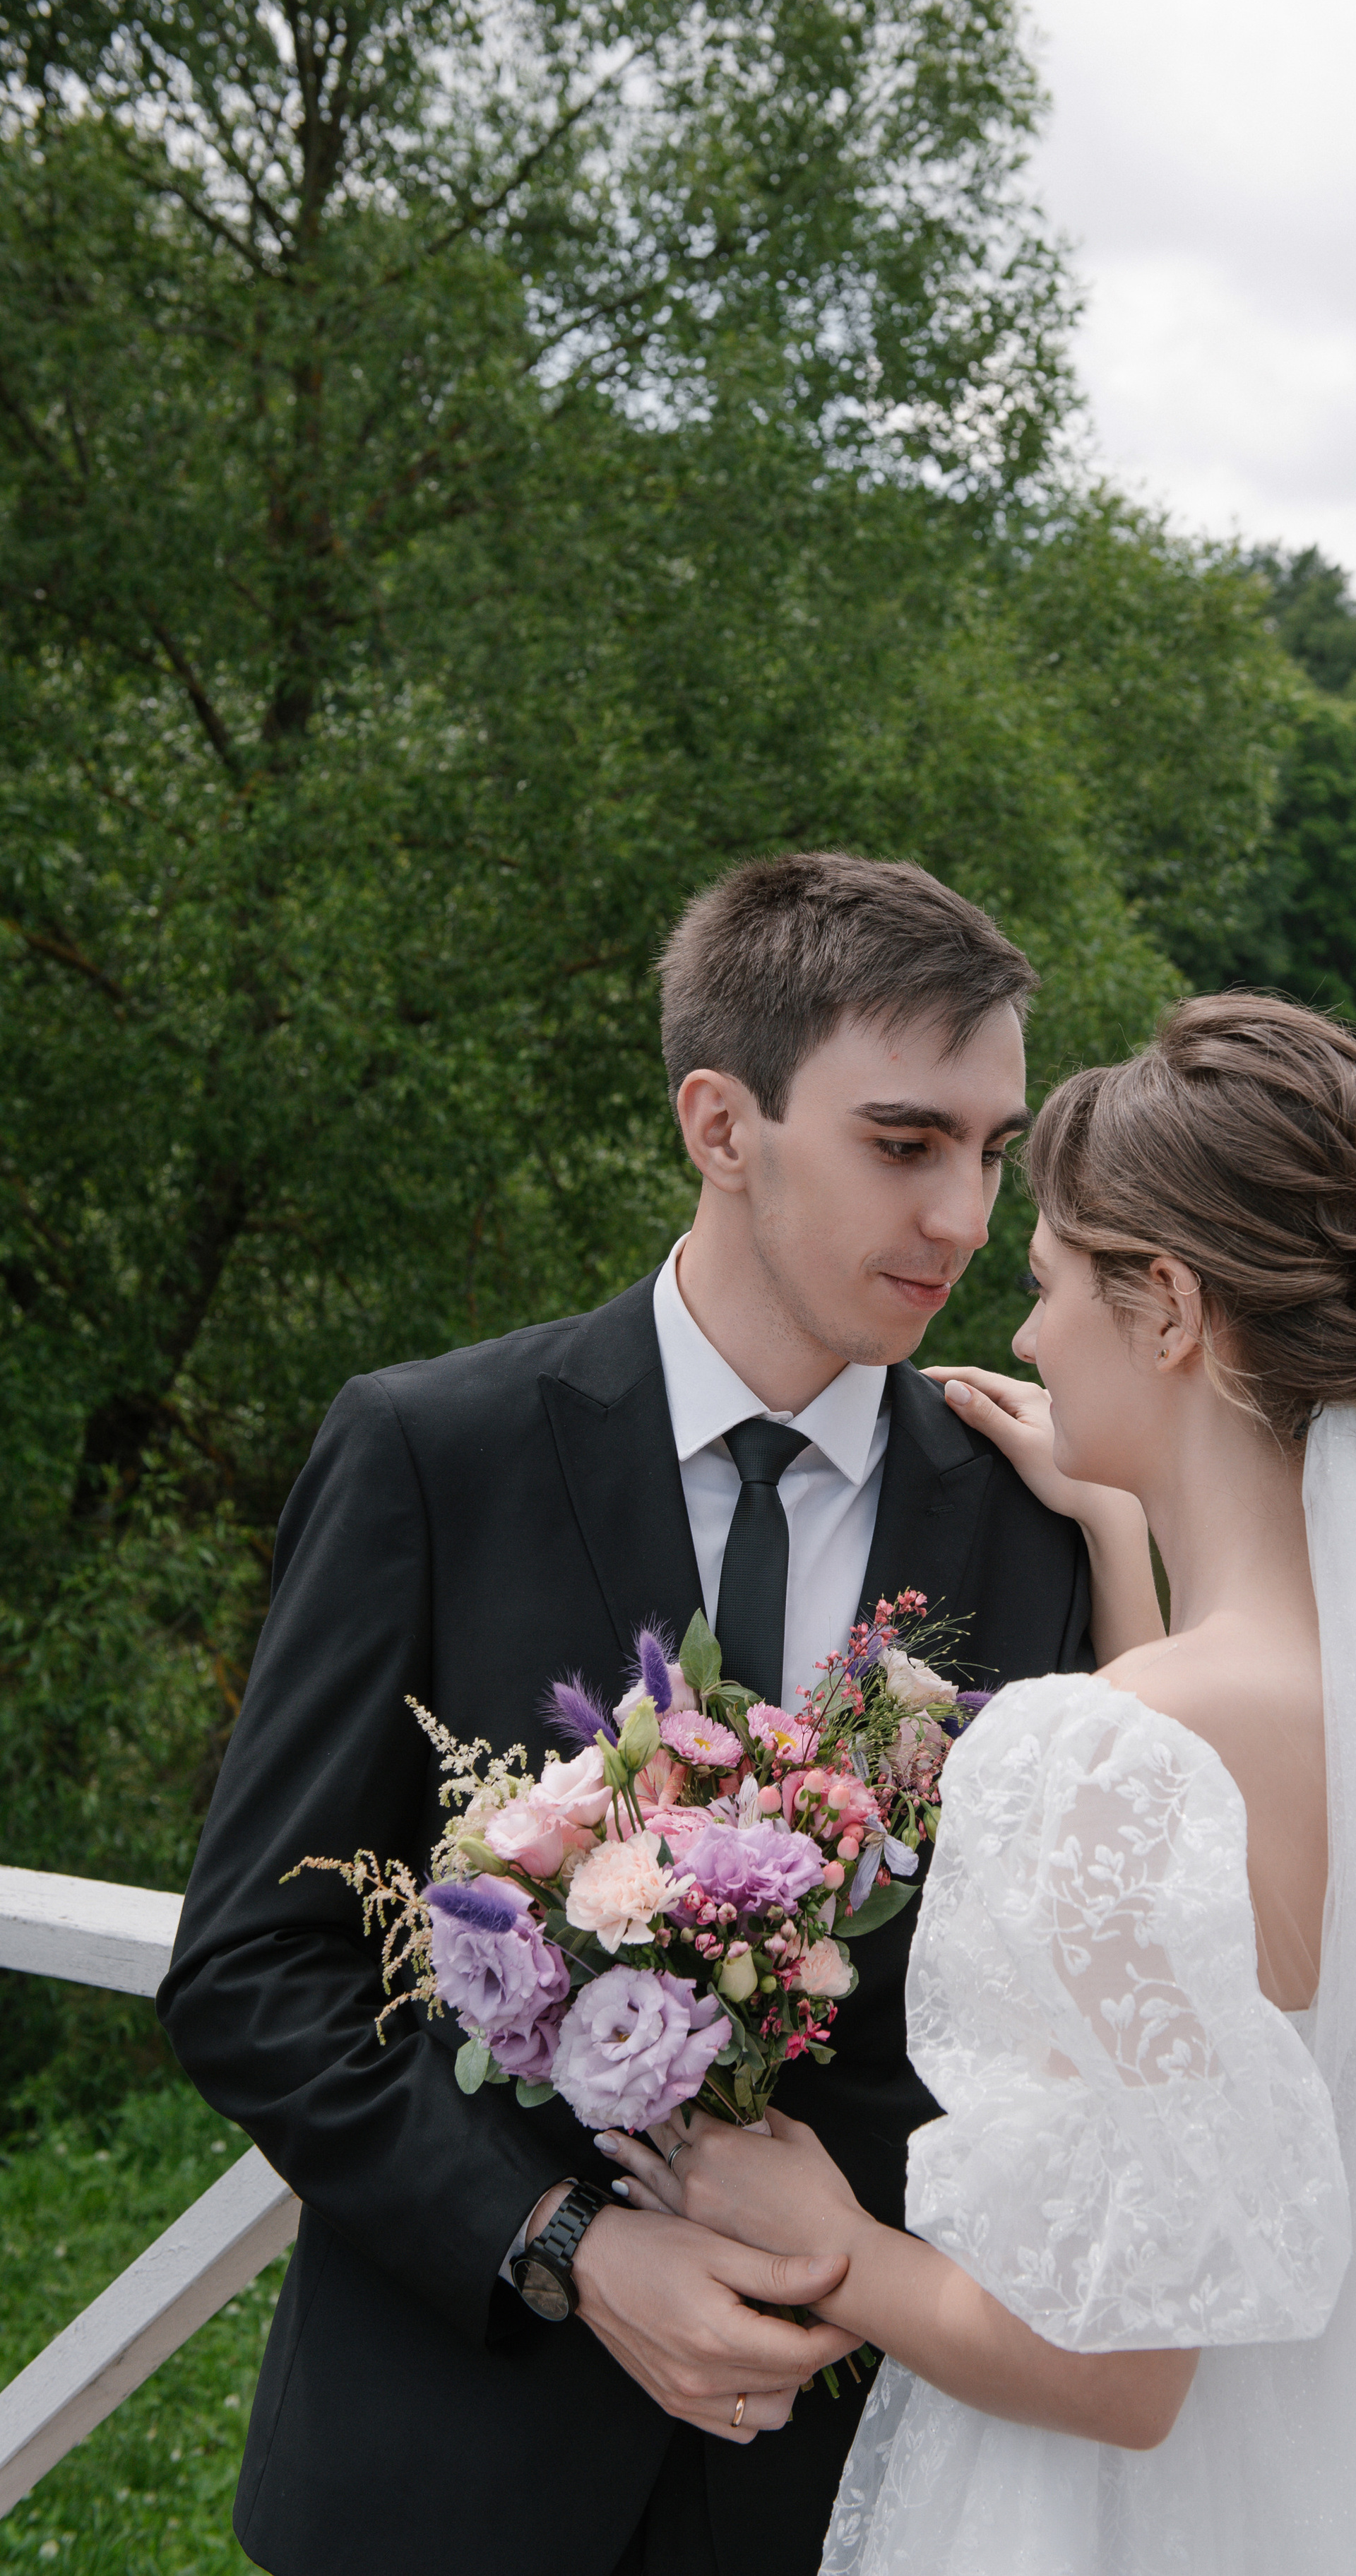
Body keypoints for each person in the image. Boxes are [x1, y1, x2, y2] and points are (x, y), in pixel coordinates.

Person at [158, 855, 1158, 2576]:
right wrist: (561, 2244)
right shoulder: (428, 1451)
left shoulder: (1036, 1518)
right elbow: (255, 1972)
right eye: (906, 1144)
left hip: (847, 2492)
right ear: (721, 1123)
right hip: (446, 2483)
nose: (967, 1219)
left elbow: (1068, 2022)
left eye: (994, 1154)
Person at [605, 992, 1356, 2576]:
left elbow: (1113, 2375)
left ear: (1168, 1306)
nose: (1028, 1333)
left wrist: (836, 2249)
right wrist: (1124, 1528)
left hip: (1091, 2512)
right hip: (1302, 2494)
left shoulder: (1097, 1750)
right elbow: (1210, 1921)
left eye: (1048, 1282)